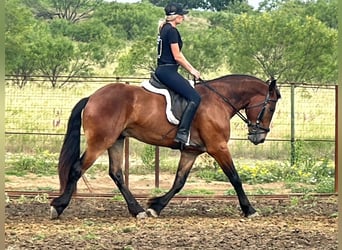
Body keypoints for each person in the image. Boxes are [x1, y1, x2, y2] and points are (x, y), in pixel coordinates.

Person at [155, 2, 201, 148]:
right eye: (182, 15)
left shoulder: (164, 28)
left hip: (164, 69)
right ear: (176, 17)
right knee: (195, 97)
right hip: (168, 71)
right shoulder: (172, 31)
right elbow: (177, 56)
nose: (183, 17)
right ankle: (182, 133)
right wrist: (192, 70)